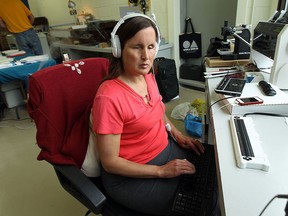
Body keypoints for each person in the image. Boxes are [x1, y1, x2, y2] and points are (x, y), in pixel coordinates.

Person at [92, 13, 214, 215]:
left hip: (165, 149)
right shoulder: (108, 97)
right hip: (131, 176)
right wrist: (161, 171)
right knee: (198, 206)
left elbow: (158, 112)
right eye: (137, 47)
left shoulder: (147, 76)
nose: (146, 57)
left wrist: (178, 135)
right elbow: (110, 162)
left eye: (150, 47)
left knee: (210, 172)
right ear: (119, 48)